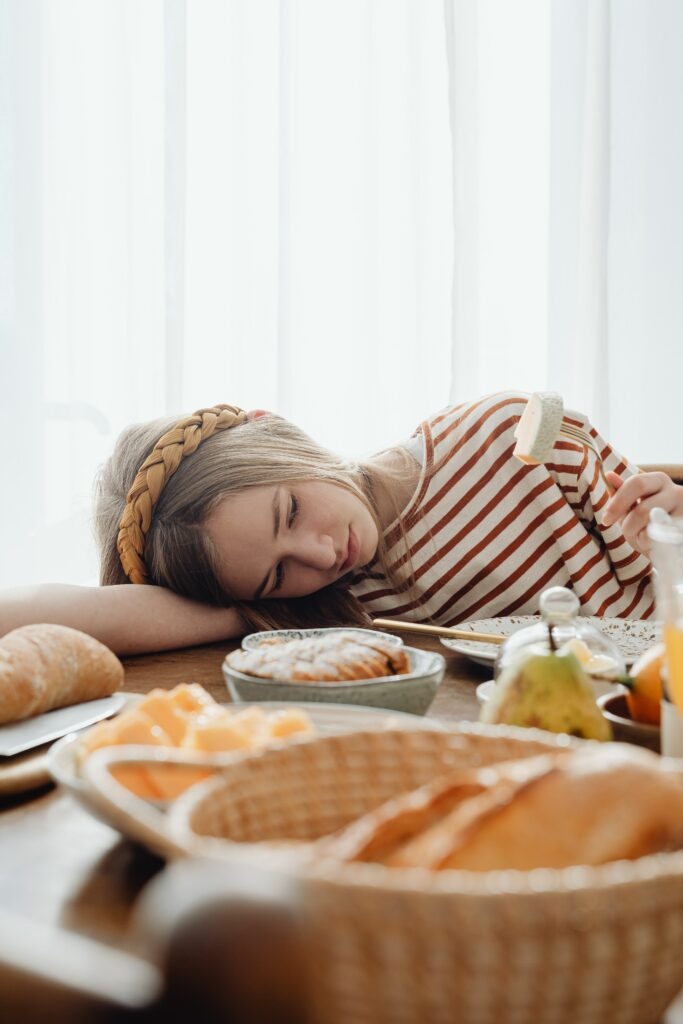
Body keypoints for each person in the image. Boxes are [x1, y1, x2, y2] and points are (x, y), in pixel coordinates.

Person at [0, 392, 665, 655]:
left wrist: (669, 531)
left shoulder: (503, 435)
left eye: (288, 510)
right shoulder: (322, 610)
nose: (320, 555)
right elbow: (25, 616)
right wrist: (245, 605)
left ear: (274, 430)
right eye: (276, 571)